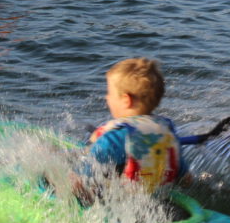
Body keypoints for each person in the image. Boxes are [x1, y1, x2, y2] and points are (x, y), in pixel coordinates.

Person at [73, 58, 190, 202]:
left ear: (126, 100)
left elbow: (80, 182)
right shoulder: (168, 134)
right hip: (160, 204)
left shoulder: (113, 139)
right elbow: (187, 180)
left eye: (109, 93)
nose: (107, 98)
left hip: (120, 205)